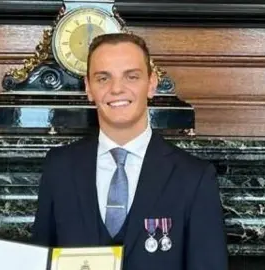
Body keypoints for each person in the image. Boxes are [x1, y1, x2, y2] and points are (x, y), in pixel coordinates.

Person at [31, 33, 228, 270]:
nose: (117, 89)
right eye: (103, 78)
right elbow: (38, 262)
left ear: (152, 84)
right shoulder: (59, 168)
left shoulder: (194, 177)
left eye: (131, 76)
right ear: (89, 88)